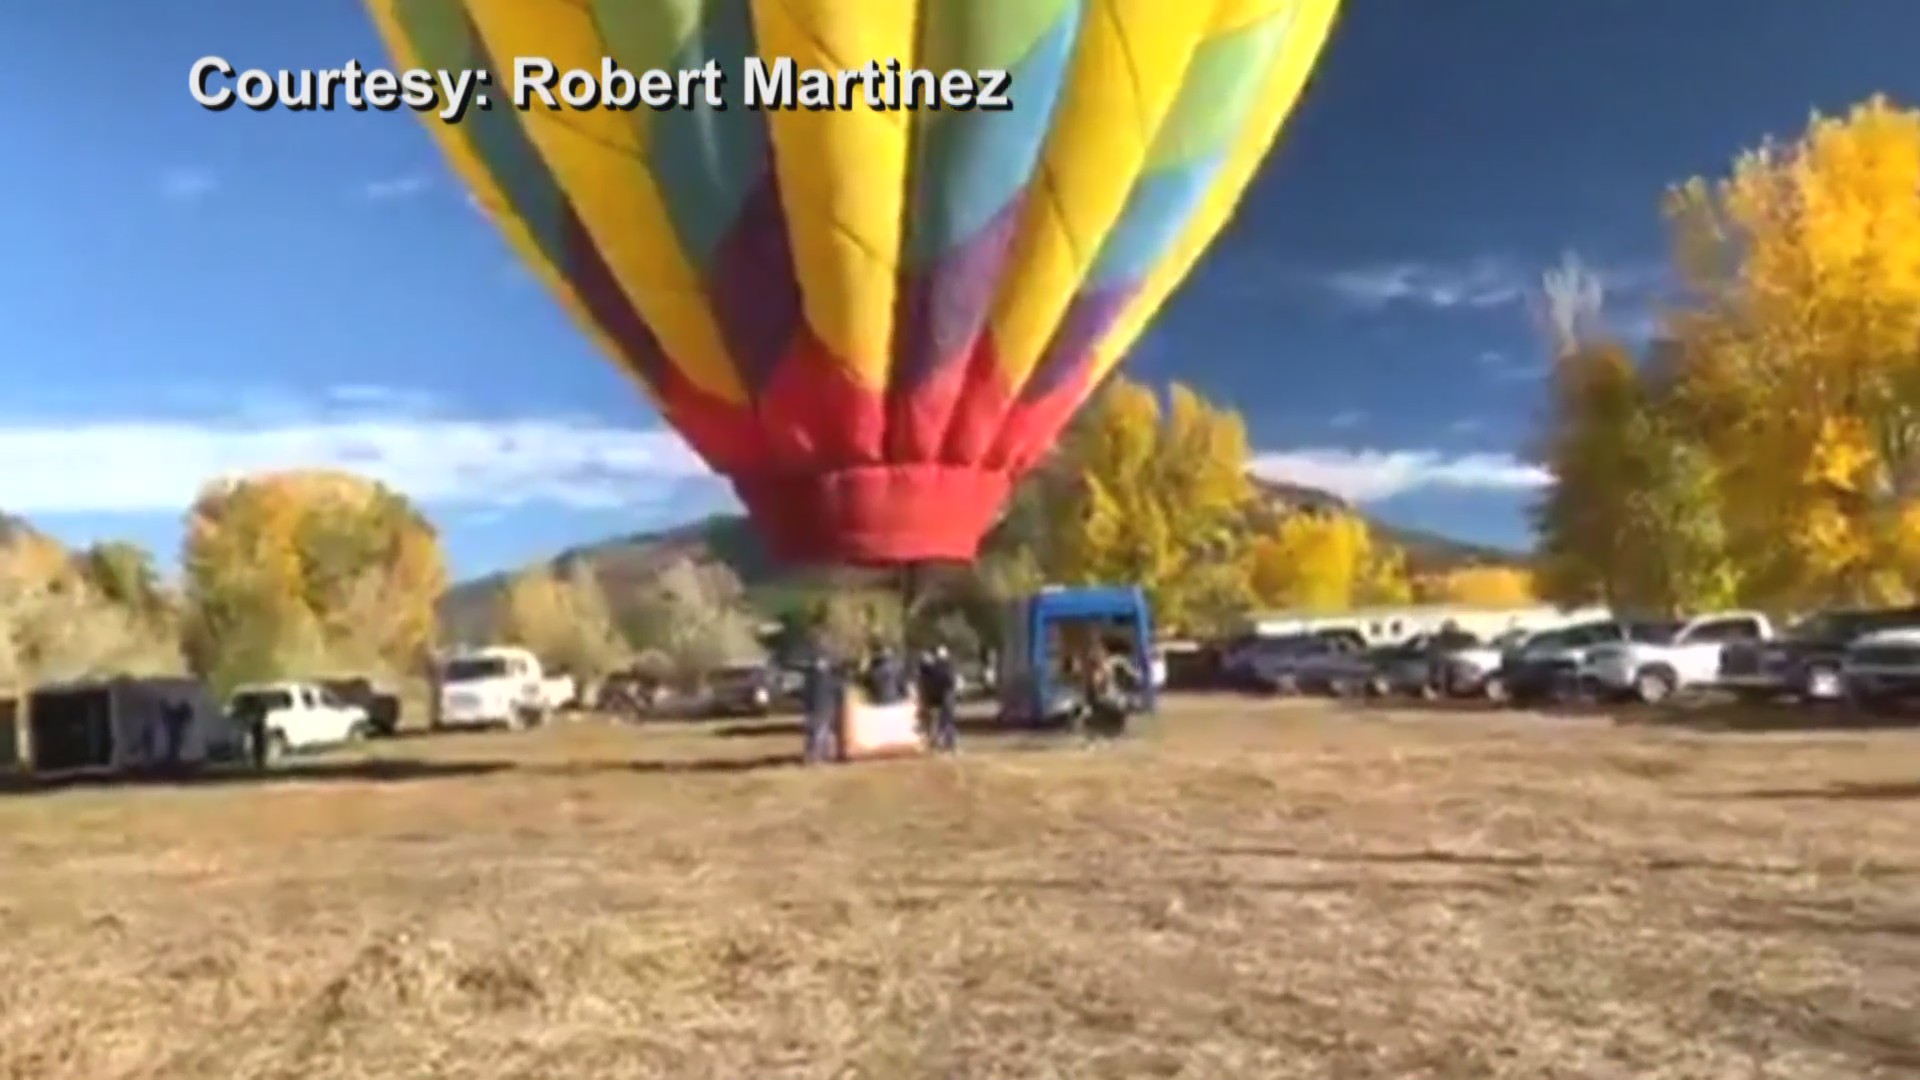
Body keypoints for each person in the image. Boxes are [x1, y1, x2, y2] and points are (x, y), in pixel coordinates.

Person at [918, 645, 959, 752]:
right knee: (946, 720)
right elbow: (951, 681)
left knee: (938, 720)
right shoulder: (947, 667)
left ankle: (939, 742)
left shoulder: (934, 667)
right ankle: (947, 743)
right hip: (945, 696)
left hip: (937, 696)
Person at [801, 654, 839, 763]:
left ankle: (812, 755)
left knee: (812, 734)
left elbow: (805, 695)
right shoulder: (830, 679)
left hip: (812, 710)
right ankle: (819, 756)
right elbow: (838, 692)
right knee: (821, 734)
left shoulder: (809, 680)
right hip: (824, 710)